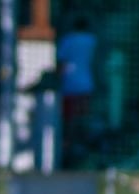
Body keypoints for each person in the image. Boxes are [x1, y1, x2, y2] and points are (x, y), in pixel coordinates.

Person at [56, 16, 97, 164]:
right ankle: (82, 146)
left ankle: (70, 146)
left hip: (70, 84)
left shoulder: (68, 40)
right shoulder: (91, 40)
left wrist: (57, 79)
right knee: (82, 116)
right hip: (86, 83)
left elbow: (61, 63)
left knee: (69, 119)